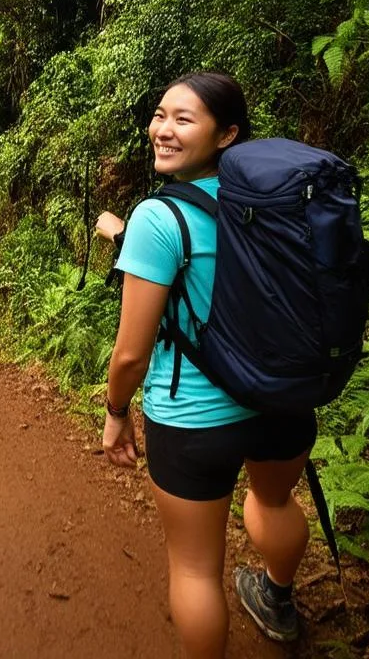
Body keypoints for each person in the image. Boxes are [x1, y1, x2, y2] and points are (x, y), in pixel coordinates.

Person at [93, 71, 316, 659]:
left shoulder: (157, 219)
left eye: (183, 119)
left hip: (195, 416)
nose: (162, 130)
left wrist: (117, 412)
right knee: (273, 502)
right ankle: (278, 600)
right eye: (160, 115)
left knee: (194, 570)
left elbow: (132, 353)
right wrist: (127, 233)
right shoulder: (278, 204)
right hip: (280, 400)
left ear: (227, 134)